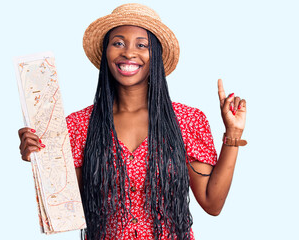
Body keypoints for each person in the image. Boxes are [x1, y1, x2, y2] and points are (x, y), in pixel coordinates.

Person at [18, 3, 247, 240]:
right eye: (118, 43)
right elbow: (66, 209)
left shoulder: (188, 121)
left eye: (142, 45)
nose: (128, 52)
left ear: (155, 55)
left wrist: (233, 134)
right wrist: (40, 159)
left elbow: (212, 203)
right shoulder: (77, 126)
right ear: (106, 51)